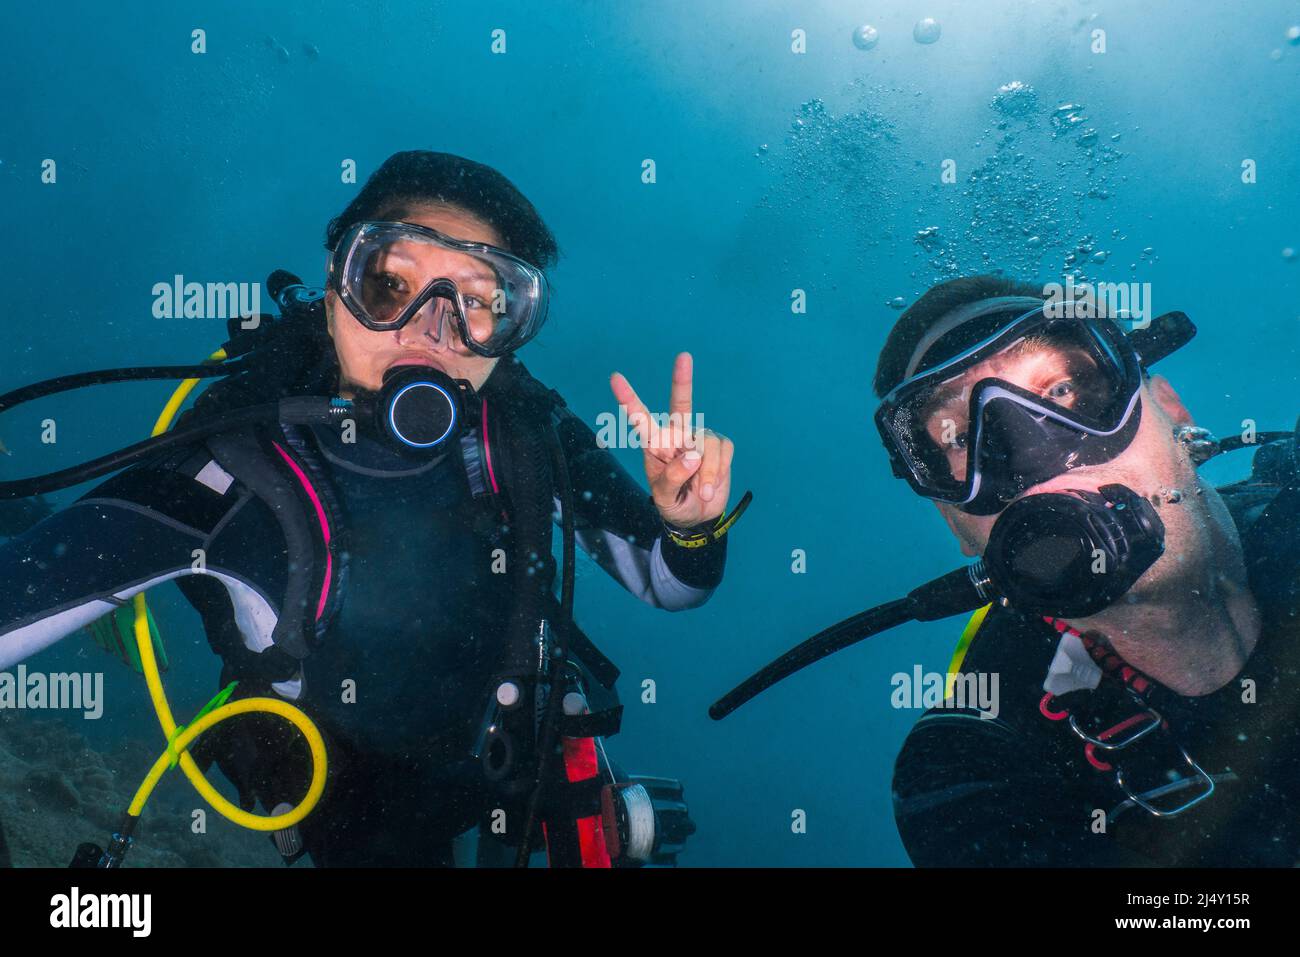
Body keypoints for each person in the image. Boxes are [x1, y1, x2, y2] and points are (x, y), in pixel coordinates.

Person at [0, 150, 740, 867]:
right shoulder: (234, 462)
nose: (429, 329)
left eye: (478, 302)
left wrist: (690, 525)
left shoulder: (526, 435)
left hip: (502, 760)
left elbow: (672, 584)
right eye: (389, 283)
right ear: (333, 289)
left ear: (508, 333)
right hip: (338, 793)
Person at [876, 275, 1300, 866]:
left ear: (1173, 414)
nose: (1031, 454)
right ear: (956, 522)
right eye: (965, 436)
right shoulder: (974, 766)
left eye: (1066, 389)